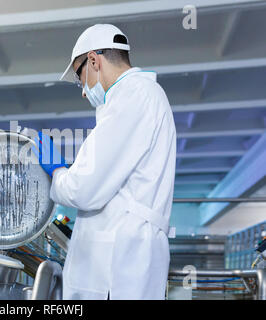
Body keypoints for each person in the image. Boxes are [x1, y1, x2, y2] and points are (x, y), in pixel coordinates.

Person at [34, 24, 177, 300]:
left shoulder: (133, 96)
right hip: (128, 257)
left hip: (117, 265)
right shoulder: (142, 96)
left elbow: (83, 190)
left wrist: (59, 170)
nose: (84, 92)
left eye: (80, 78)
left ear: (94, 60)